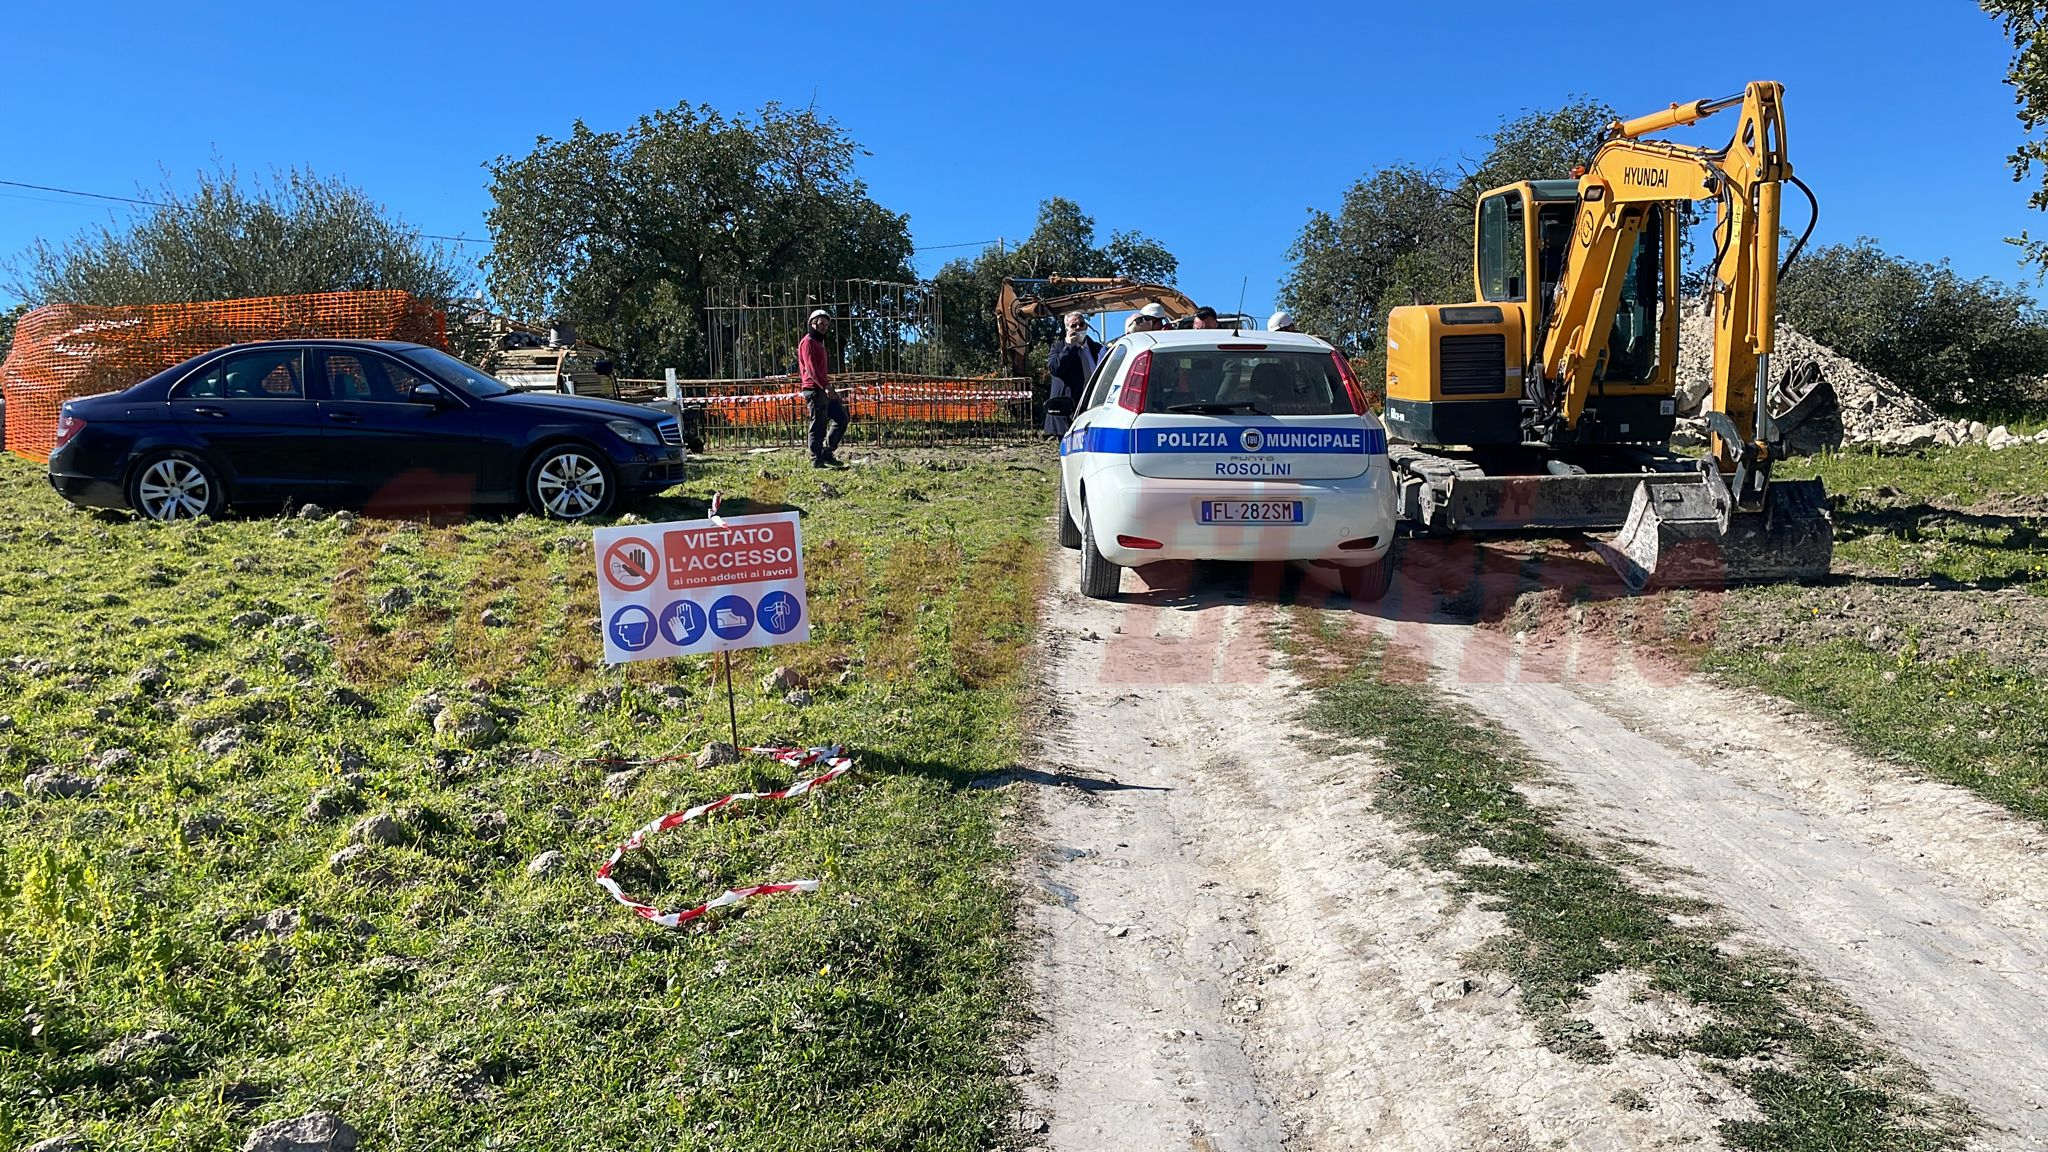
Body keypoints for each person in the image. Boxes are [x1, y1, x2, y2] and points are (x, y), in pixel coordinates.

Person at [798, 308, 848, 467]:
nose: (824, 327)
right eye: (820, 323)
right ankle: (816, 460)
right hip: (814, 389)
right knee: (818, 425)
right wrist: (826, 386)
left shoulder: (819, 343)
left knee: (842, 418)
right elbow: (811, 370)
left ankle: (827, 452)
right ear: (812, 324)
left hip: (823, 388)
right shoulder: (808, 342)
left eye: (826, 324)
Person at [1045, 311, 1101, 437]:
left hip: (1090, 408)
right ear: (1066, 329)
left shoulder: (1097, 349)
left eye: (1081, 324)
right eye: (1073, 326)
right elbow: (1056, 369)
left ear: (1086, 326)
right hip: (1066, 412)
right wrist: (1069, 347)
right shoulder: (1058, 347)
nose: (1078, 328)